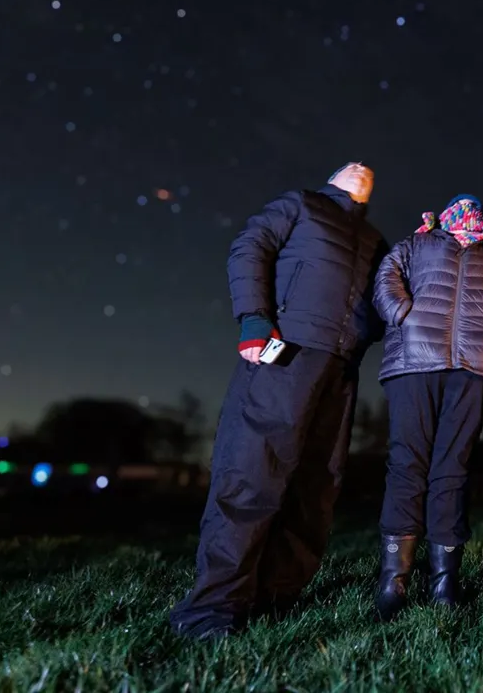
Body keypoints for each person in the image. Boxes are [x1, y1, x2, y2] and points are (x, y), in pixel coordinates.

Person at [168, 162, 389, 640]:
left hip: (340, 366)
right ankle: (212, 610)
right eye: (349, 164)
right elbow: (251, 245)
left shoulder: (375, 240)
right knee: (253, 471)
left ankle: (276, 597)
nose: (360, 166)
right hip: (286, 349)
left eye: (368, 169)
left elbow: (387, 297)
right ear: (333, 177)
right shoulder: (302, 204)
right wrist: (254, 316)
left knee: (316, 485)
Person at [370, 195, 483, 620]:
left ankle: (444, 581)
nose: (469, 211)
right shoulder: (417, 243)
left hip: (474, 367)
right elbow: (386, 275)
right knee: (407, 464)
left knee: (453, 468)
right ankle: (393, 581)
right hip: (413, 363)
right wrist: (403, 314)